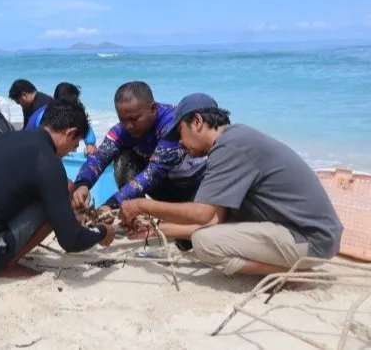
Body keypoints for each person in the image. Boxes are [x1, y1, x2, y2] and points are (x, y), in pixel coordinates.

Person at [119, 93, 344, 277]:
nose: (179, 141)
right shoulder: (235, 140)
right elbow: (218, 219)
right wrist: (154, 229)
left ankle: (287, 273)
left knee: (205, 244)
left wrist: (142, 205)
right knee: (210, 235)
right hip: (311, 234)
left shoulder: (230, 147)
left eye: (180, 132)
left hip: (309, 240)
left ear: (196, 122)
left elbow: (202, 215)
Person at [0, 99, 118, 279]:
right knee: (51, 204)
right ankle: (8, 264)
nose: (69, 151)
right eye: (73, 146)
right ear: (70, 133)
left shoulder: (7, 137)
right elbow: (71, 240)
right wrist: (102, 232)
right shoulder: (48, 162)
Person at [71, 81, 206, 250]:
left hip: (193, 187)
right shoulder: (123, 130)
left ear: (152, 108)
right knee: (123, 156)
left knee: (193, 239)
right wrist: (82, 184)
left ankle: (146, 215)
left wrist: (110, 205)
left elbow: (153, 174)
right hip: (163, 189)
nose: (128, 126)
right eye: (123, 120)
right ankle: (131, 217)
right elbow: (100, 157)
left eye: (134, 119)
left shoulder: (173, 123)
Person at [24, 82, 98, 155]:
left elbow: (85, 128)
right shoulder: (42, 113)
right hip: (45, 150)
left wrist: (90, 144)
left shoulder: (76, 115)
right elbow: (28, 134)